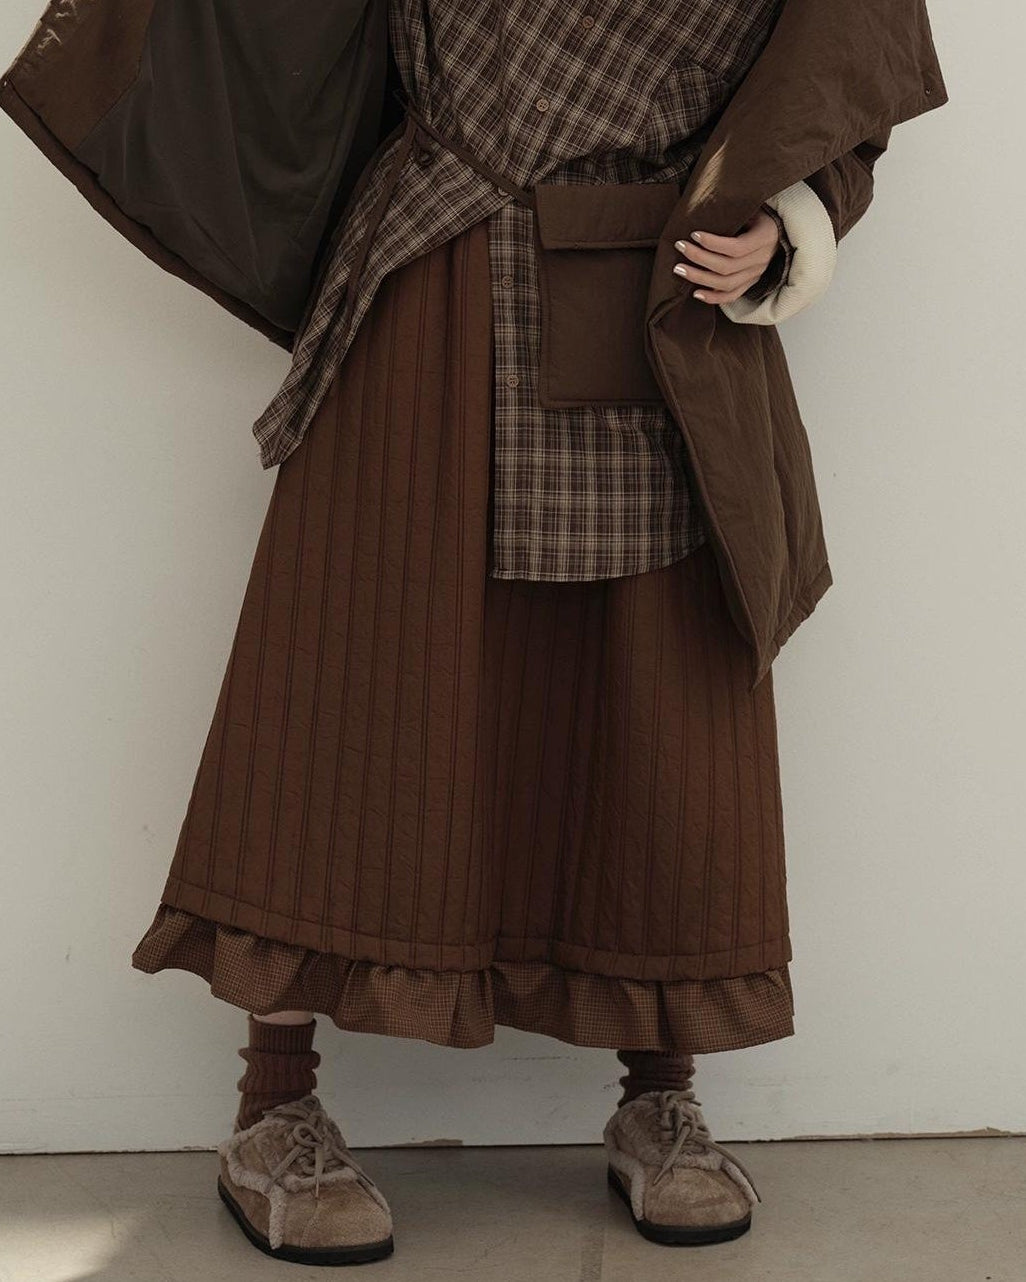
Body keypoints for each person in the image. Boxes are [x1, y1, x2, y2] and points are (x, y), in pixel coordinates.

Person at [1, 0, 947, 1266]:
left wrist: (790, 220)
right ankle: (273, 1111)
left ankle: (661, 1097)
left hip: (654, 300)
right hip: (431, 280)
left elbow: (847, 83)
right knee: (341, 687)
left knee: (657, 707)